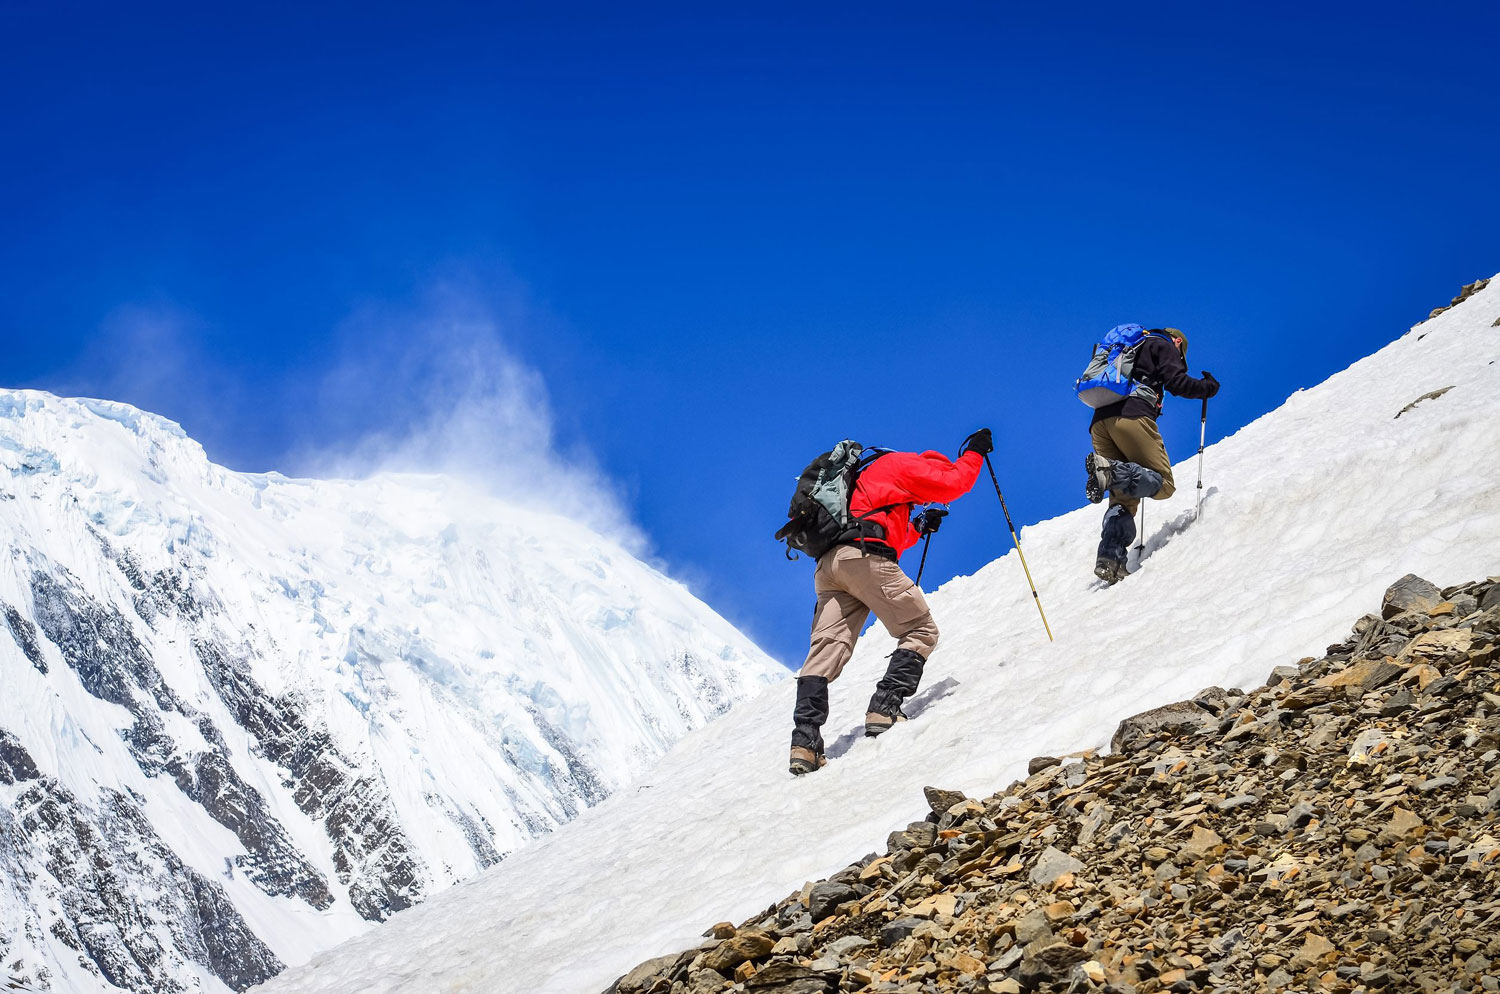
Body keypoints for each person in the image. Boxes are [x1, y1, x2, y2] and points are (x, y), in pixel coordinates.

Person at [789, 428, 992, 775]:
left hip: (829, 567)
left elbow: (879, 533)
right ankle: (885, 707)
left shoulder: (859, 480)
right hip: (863, 558)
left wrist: (917, 528)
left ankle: (804, 743)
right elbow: (955, 482)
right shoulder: (904, 464)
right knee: (921, 629)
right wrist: (974, 452)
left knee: (825, 652)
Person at [1085, 327, 1218, 584]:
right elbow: (1178, 383)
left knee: (1123, 500)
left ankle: (1110, 560)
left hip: (1099, 423)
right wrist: (1207, 388)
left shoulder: (1126, 349)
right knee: (1163, 484)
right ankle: (1111, 471)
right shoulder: (1161, 344)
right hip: (1131, 417)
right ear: (1178, 342)